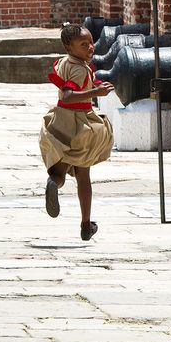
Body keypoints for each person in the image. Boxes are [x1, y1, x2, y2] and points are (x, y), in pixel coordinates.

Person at [39, 23, 115, 240]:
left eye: (91, 42)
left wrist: (94, 84)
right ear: (69, 47)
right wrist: (96, 91)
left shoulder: (66, 62)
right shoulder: (81, 68)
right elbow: (69, 96)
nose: (90, 47)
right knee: (83, 176)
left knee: (59, 172)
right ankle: (85, 224)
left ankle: (54, 184)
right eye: (84, 45)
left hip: (60, 122)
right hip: (80, 125)